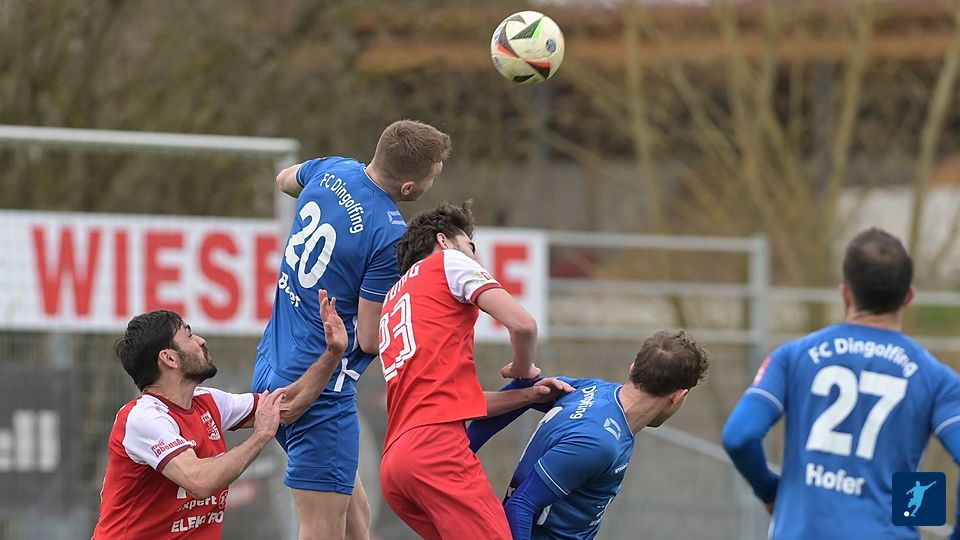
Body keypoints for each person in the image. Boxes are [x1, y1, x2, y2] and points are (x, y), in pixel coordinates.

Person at [252, 120, 451, 539]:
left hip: (273, 362)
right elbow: (369, 339)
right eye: (433, 175)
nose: (433, 182)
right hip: (318, 390)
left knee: (356, 519)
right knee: (322, 528)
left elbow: (285, 179)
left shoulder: (334, 169)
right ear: (410, 187)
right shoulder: (389, 235)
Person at [722, 227, 960, 540]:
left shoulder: (794, 356)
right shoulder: (936, 378)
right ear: (908, 297)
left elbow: (739, 436)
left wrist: (770, 491)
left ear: (846, 293)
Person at [378, 200, 574, 540]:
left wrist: (528, 395)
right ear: (443, 241)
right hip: (435, 450)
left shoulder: (394, 298)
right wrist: (523, 368)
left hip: (397, 462)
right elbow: (524, 325)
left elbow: (452, 403)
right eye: (471, 247)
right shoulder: (448, 262)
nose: (475, 258)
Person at [93, 290, 348, 539]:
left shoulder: (207, 401)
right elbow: (199, 481)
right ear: (169, 358)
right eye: (189, 336)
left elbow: (286, 406)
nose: (201, 341)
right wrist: (260, 437)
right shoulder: (144, 418)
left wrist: (332, 354)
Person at [468, 330, 710, 540]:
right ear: (678, 396)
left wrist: (465, 450)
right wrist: (461, 462)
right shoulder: (598, 443)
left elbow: (524, 392)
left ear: (633, 368)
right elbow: (520, 506)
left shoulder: (591, 389)